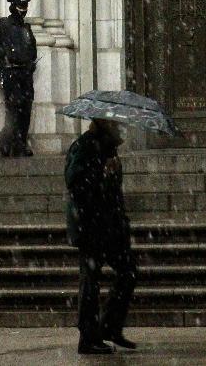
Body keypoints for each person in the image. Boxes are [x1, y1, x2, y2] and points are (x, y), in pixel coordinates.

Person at [65, 118, 138, 356]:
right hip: (90, 225)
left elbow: (114, 193)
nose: (120, 130)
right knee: (90, 280)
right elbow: (74, 182)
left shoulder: (110, 151)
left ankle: (109, 326)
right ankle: (88, 337)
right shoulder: (84, 147)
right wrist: (101, 174)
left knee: (127, 272)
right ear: (105, 128)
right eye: (116, 126)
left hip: (109, 226)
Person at [0, 0, 37, 157]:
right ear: (13, 7)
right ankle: (6, 142)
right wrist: (4, 55)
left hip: (25, 74)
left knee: (25, 109)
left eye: (25, 8)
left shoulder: (26, 29)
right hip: (10, 72)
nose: (23, 11)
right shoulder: (2, 25)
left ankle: (20, 144)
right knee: (13, 108)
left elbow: (33, 50)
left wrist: (29, 61)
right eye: (20, 7)